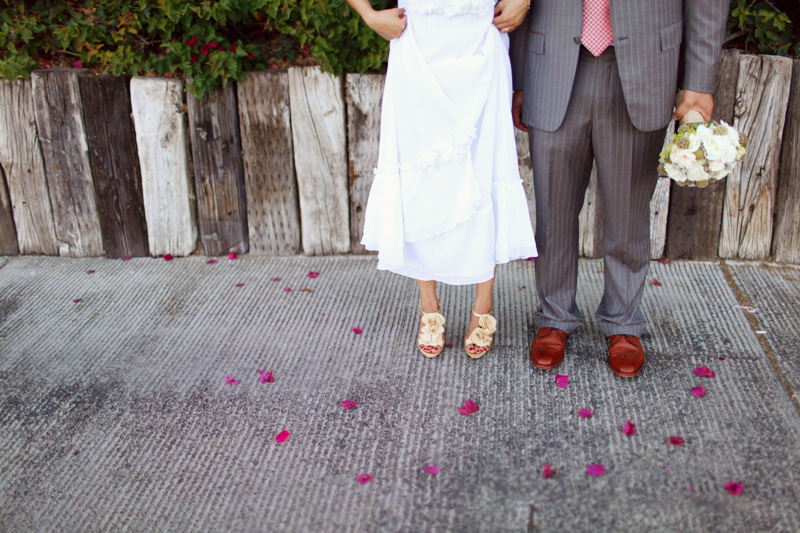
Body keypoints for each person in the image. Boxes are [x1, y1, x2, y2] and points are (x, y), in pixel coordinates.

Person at [510, 1, 729, 377]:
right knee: (553, 209)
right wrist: (516, 76)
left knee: (629, 211)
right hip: (552, 58)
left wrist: (699, 81)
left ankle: (624, 321)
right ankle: (554, 315)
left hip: (645, 63)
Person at [346, 0, 537, 359]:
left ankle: (484, 300)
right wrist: (369, 14)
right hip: (417, 44)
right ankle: (428, 304)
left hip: (483, 38)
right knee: (422, 174)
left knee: (484, 168)